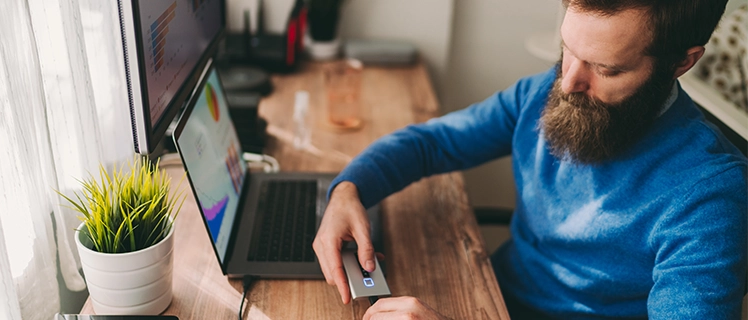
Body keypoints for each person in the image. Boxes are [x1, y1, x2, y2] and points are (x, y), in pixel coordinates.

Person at [313, 0, 748, 318]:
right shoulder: (547, 90)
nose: (569, 83)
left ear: (681, 62)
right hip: (488, 297)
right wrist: (350, 188)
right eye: (568, 50)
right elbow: (436, 142)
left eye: (607, 69)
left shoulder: (711, 196)